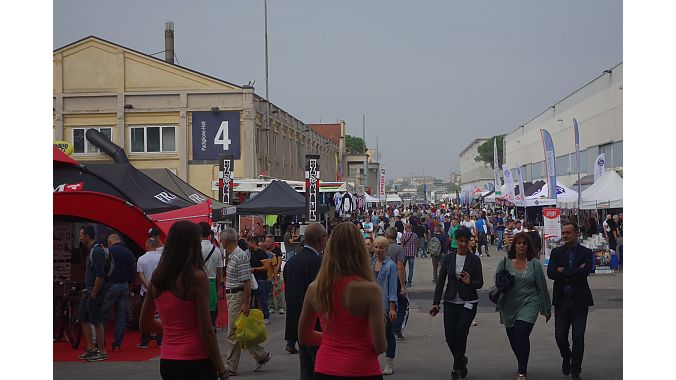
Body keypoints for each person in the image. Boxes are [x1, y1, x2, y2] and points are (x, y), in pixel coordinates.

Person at [139, 221, 229, 380]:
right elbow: (206, 331)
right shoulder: (196, 278)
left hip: (168, 360)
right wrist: (222, 371)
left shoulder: (157, 277)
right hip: (196, 359)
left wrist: (172, 328)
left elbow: (144, 324)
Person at [298, 222, 387, 379]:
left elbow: (304, 336)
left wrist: (333, 340)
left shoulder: (316, 288)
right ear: (360, 250)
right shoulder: (371, 291)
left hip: (325, 368)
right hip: (363, 369)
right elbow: (380, 346)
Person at [495, 232, 552, 380]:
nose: (521, 246)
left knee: (521, 334)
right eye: (518, 243)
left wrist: (546, 309)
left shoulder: (535, 265)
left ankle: (522, 371)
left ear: (528, 246)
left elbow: (542, 287)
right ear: (514, 245)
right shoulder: (504, 262)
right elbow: (497, 282)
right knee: (513, 338)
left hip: (529, 303)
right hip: (508, 306)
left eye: (524, 243)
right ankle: (522, 358)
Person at [430, 227, 483, 380]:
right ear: (456, 241)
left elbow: (479, 283)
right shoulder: (448, 258)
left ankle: (456, 369)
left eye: (467, 241)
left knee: (461, 335)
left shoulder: (474, 260)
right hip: (451, 300)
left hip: (469, 302)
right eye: (461, 241)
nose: (464, 244)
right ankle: (461, 360)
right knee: (449, 336)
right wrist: (436, 302)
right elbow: (441, 282)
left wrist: (469, 282)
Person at [220, 228, 271, 377]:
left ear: (226, 240)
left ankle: (231, 366)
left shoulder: (239, 256)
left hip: (237, 295)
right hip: (234, 295)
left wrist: (246, 302)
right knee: (240, 330)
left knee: (233, 332)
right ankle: (261, 355)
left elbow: (246, 281)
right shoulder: (234, 255)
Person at [547, 223, 594, 380]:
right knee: (560, 336)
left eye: (568, 233)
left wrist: (563, 270)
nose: (565, 235)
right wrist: (573, 271)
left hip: (580, 301)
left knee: (578, 337)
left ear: (576, 234)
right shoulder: (556, 252)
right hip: (561, 301)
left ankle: (576, 369)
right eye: (563, 233)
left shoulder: (586, 253)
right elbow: (551, 273)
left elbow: (586, 271)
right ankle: (566, 357)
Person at [283, 223, 327, 379]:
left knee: (306, 369)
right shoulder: (318, 262)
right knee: (320, 369)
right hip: (315, 326)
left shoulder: (291, 263)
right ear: (321, 239)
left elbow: (288, 293)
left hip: (298, 323)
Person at [76, 225, 109, 362]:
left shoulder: (96, 251)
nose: (80, 238)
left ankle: (101, 350)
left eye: (81, 235)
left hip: (94, 291)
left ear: (88, 236)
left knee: (96, 320)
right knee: (83, 318)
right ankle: (91, 348)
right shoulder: (90, 251)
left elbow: (100, 275)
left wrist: (94, 293)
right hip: (88, 291)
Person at [102, 233, 136, 352]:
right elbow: (133, 270)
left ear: (110, 241)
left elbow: (103, 270)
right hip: (125, 286)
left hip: (111, 285)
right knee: (121, 316)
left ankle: (101, 343)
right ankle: (117, 344)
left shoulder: (107, 251)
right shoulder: (128, 252)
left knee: (102, 314)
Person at [372, 236, 399, 375]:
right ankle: (374, 361)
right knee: (372, 334)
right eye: (376, 246)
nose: (377, 250)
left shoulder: (391, 266)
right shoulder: (372, 262)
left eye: (381, 247)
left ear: (386, 249)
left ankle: (389, 363)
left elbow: (393, 288)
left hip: (385, 306)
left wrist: (392, 308)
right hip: (372, 305)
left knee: (388, 335)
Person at [137, 237, 163, 349]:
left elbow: (141, 275)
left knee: (145, 314)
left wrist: (147, 285)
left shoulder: (141, 259)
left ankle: (145, 341)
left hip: (145, 291)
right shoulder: (161, 258)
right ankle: (160, 340)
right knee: (160, 315)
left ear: (147, 246)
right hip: (160, 290)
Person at [198, 222, 224, 328]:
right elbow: (219, 272)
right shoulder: (216, 250)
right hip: (211, 284)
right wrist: (217, 288)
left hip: (196, 284)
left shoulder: (193, 248)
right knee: (211, 315)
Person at [249, 236, 272, 324]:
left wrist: (254, 269)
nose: (248, 245)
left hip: (261, 279)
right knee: (253, 299)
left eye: (249, 243)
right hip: (254, 279)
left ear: (253, 244)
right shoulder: (252, 253)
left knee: (262, 299)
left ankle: (266, 316)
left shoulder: (261, 253)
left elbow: (266, 267)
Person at [264, 235, 285, 315]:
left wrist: (276, 270)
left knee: (278, 290)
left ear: (272, 242)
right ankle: (272, 306)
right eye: (265, 241)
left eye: (268, 242)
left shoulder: (277, 250)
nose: (266, 243)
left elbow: (279, 261)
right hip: (268, 273)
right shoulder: (266, 251)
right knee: (269, 291)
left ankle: (280, 307)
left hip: (276, 272)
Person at [401, 223, 418, 288]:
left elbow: (402, 245)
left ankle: (404, 280)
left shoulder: (404, 235)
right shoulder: (415, 235)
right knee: (411, 269)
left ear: (406, 228)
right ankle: (409, 282)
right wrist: (416, 251)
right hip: (412, 253)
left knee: (403, 268)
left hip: (404, 253)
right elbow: (416, 244)